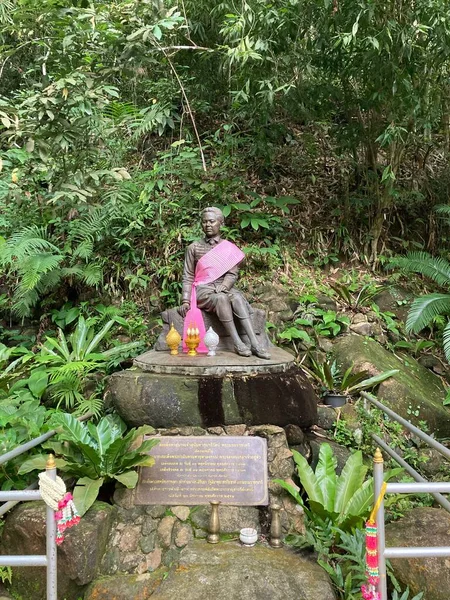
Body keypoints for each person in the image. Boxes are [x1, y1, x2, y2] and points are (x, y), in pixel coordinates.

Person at [178, 207, 271, 359]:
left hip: (224, 286)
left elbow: (232, 273)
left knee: (237, 298)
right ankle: (237, 342)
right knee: (221, 298)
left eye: (212, 221)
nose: (208, 225)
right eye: (204, 222)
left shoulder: (228, 247)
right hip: (203, 289)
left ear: (220, 223)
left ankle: (255, 343)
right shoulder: (193, 247)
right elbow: (188, 275)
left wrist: (225, 286)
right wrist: (185, 300)